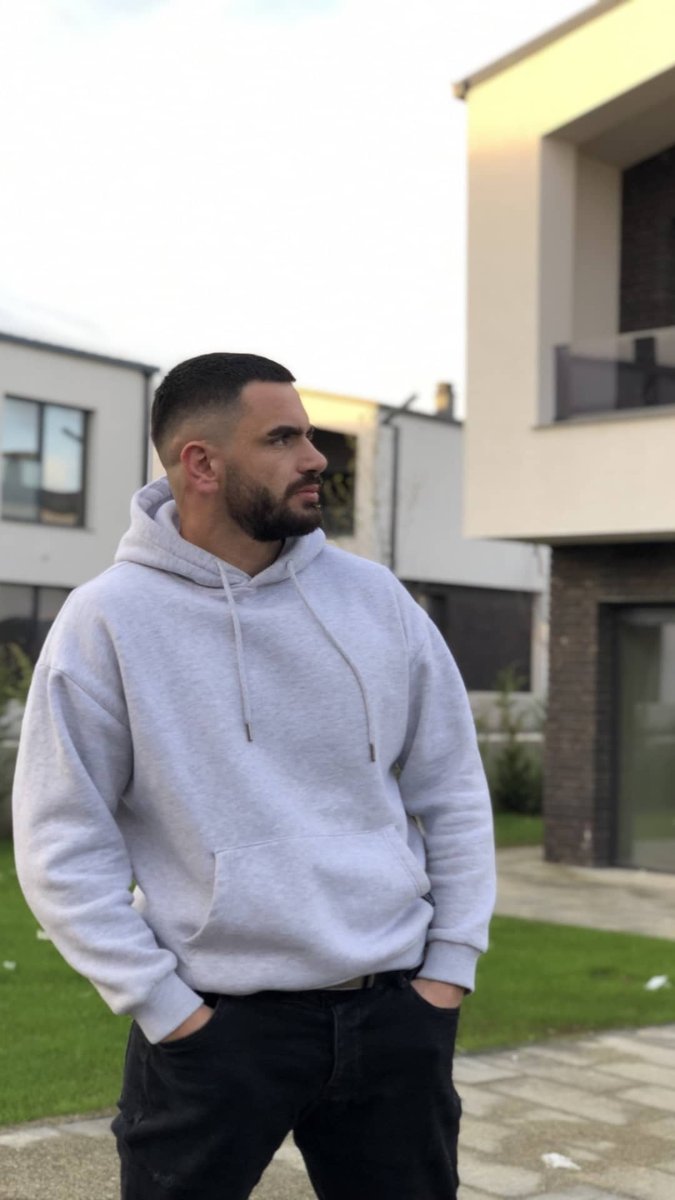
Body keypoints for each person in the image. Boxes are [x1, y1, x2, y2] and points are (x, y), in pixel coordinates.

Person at [13, 352, 496, 1200]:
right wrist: (166, 1009)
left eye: (309, 434)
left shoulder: (376, 599)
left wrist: (446, 971)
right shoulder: (108, 620)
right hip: (213, 1031)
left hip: (392, 1014)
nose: (315, 457)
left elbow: (452, 788)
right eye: (282, 439)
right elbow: (61, 839)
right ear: (200, 463)